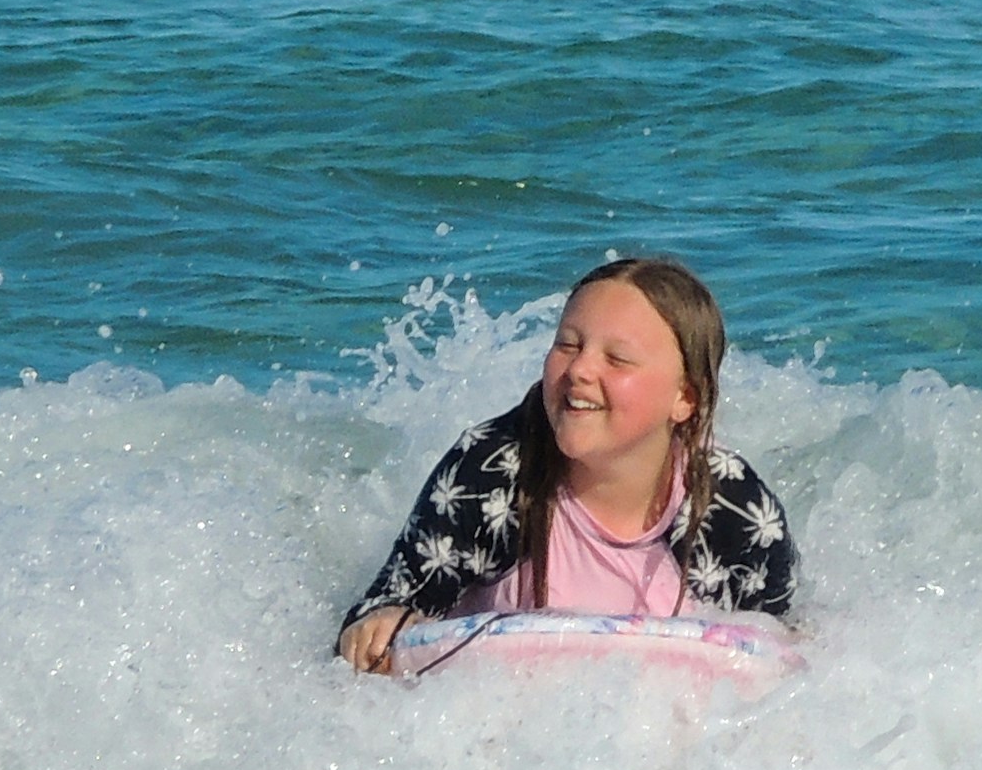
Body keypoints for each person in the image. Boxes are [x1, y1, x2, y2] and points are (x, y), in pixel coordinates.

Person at [336, 254, 798, 673]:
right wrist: (380, 628)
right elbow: (381, 614)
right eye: (568, 345)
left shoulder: (736, 514)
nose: (579, 370)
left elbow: (778, 658)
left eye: (616, 359)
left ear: (685, 398)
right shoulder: (493, 473)